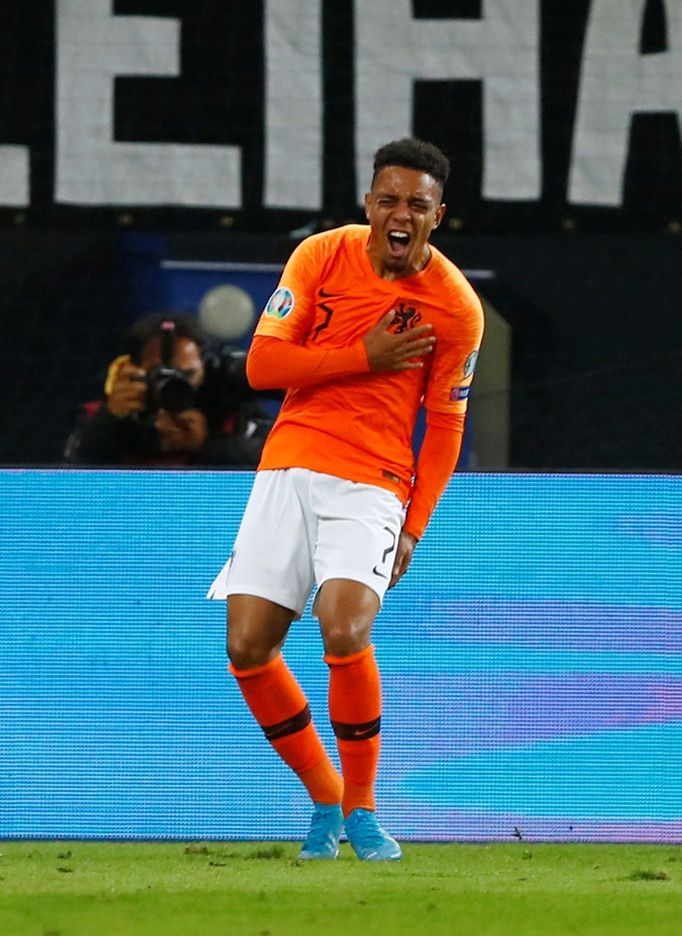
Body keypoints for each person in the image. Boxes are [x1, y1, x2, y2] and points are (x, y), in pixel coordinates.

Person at [208, 138, 484, 860]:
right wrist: (362, 357)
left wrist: (414, 529)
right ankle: (326, 799)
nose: (400, 214)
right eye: (388, 200)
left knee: (344, 627)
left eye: (416, 205)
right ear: (369, 204)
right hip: (290, 465)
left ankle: (363, 809)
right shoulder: (322, 257)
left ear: (437, 216)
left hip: (374, 479)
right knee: (246, 648)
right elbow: (264, 365)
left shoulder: (455, 307)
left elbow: (446, 427)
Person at [64, 312, 272, 467]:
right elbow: (70, 474)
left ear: (205, 367)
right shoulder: (102, 414)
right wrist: (109, 419)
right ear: (132, 369)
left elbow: (277, 464)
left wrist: (207, 445)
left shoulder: (236, 416)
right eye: (159, 374)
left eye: (187, 374)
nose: (173, 383)